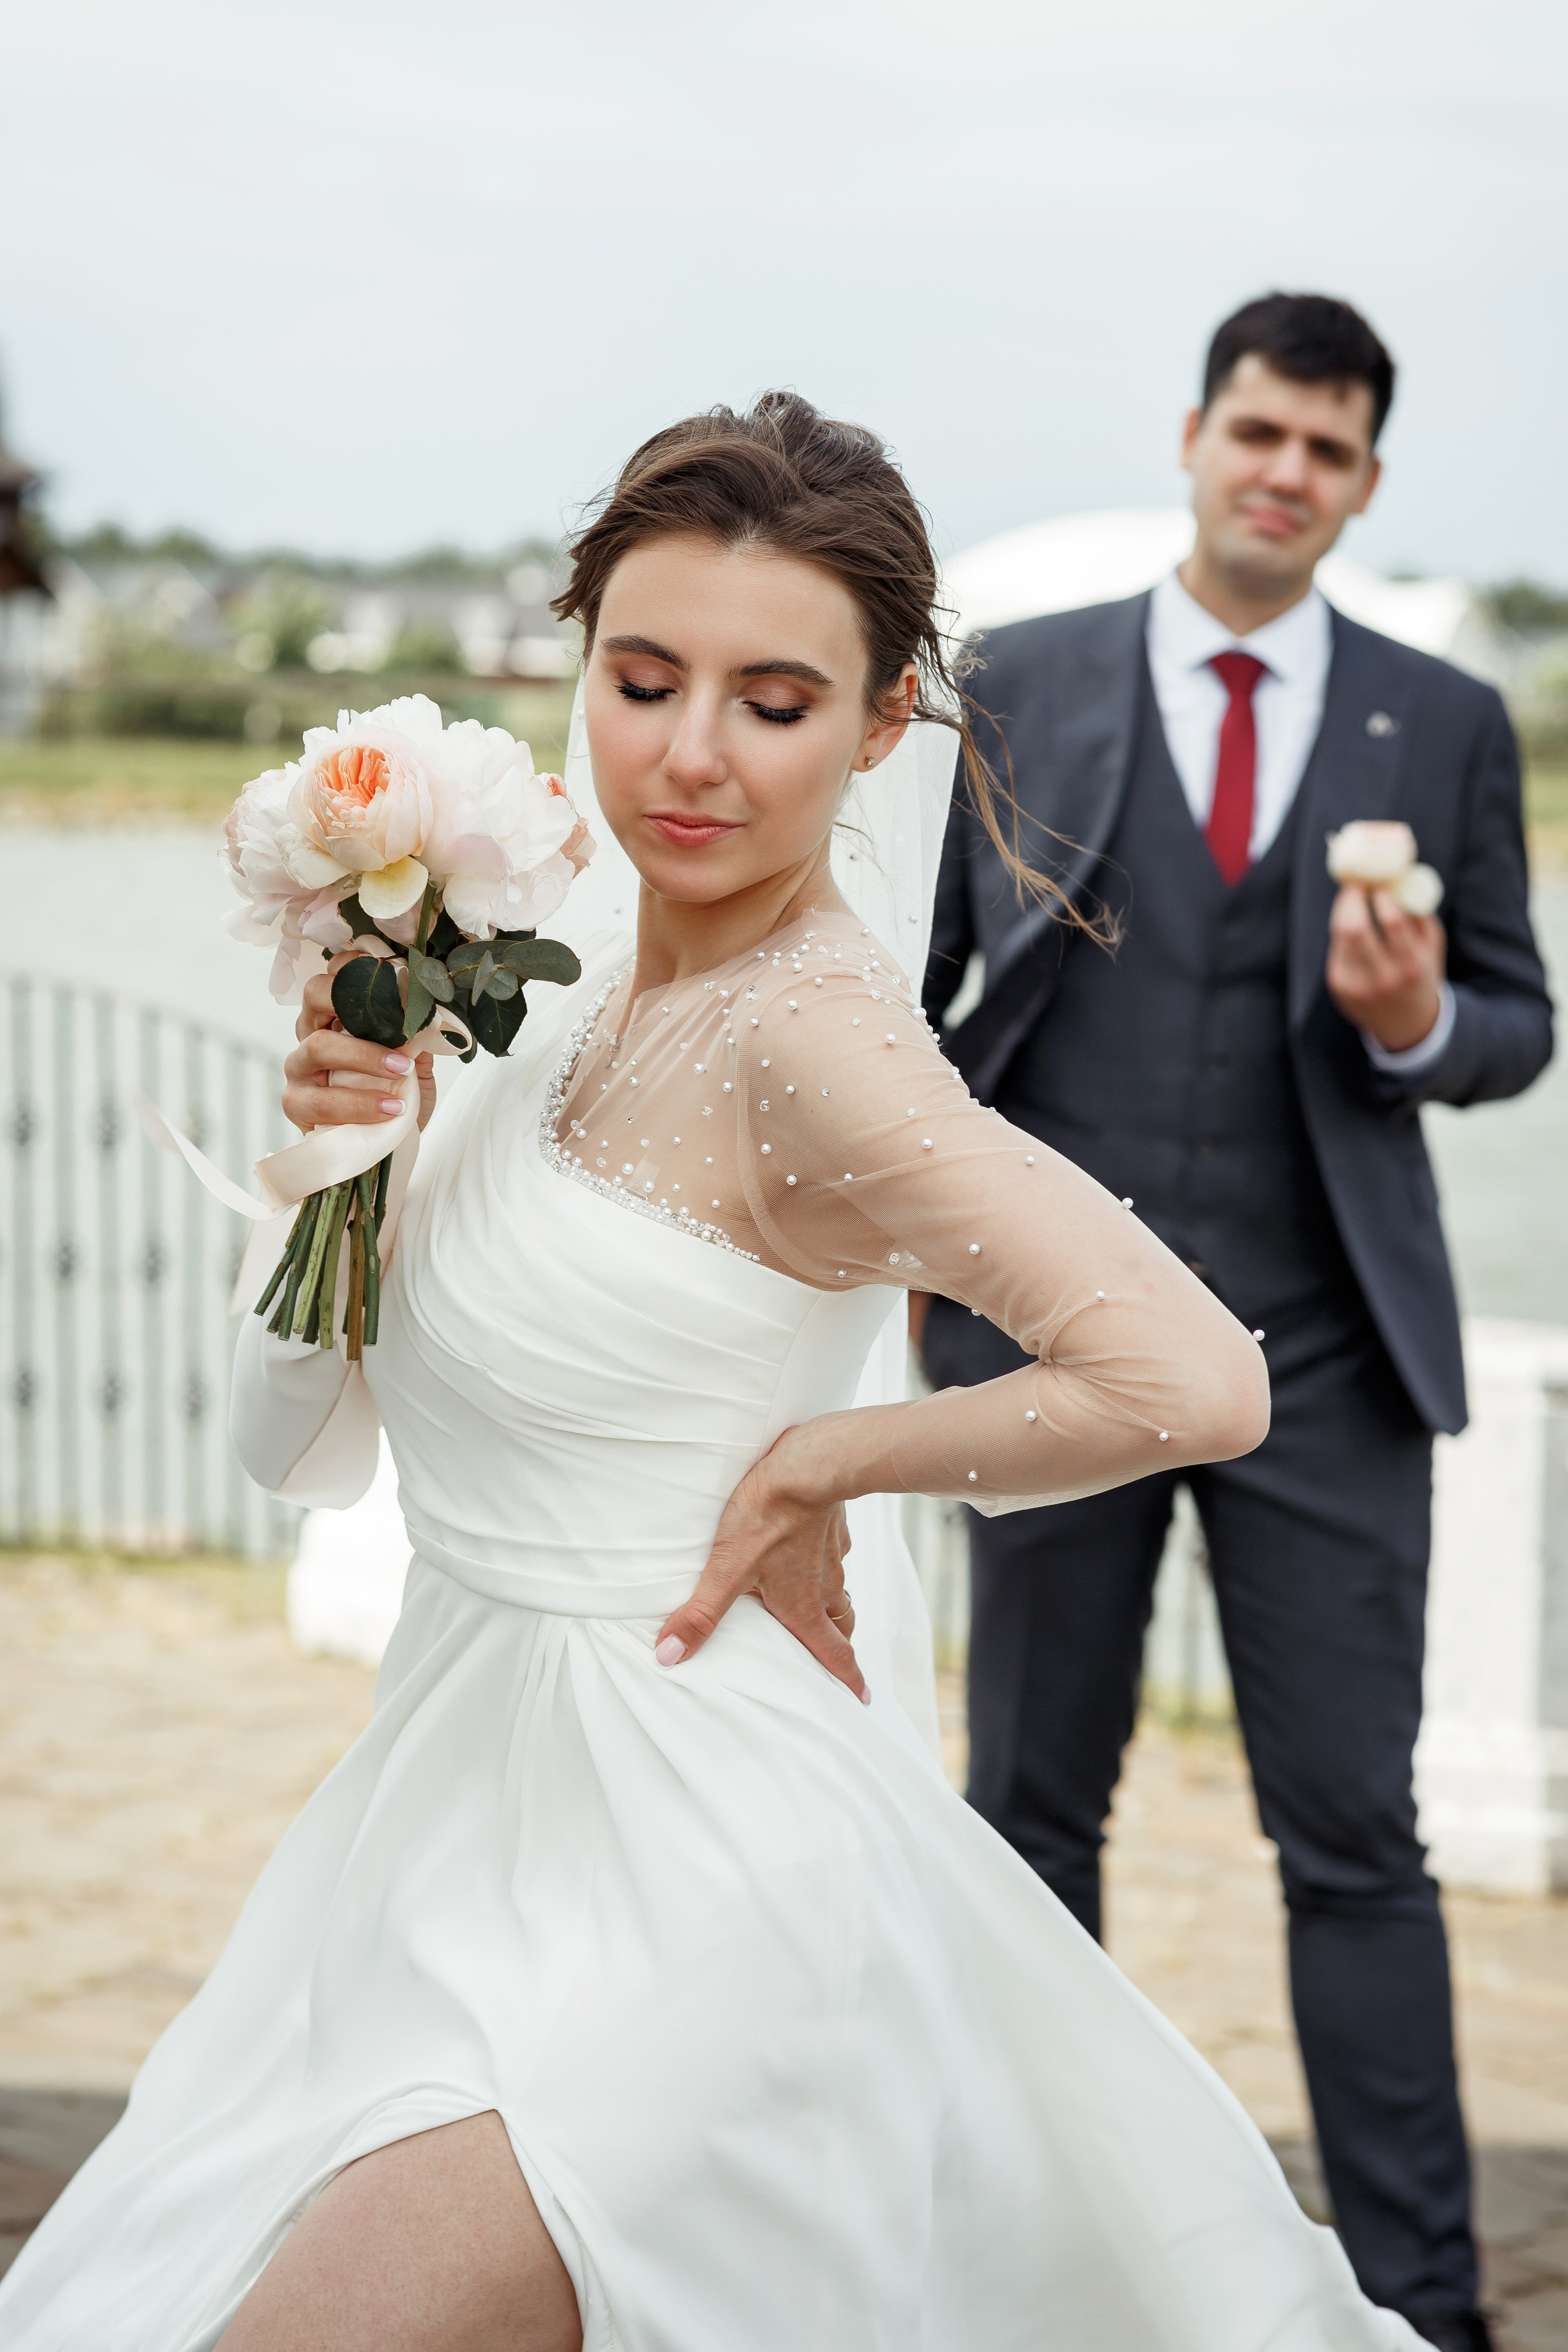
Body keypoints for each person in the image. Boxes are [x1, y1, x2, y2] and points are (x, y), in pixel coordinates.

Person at [2, 392, 1431, 2352]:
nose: (686, 758)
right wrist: (350, 1156)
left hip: (689, 1854)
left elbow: (1195, 1378)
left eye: (773, 702)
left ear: (876, 724)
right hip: (441, 1814)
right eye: (643, 676)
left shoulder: (816, 1042)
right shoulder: (548, 957)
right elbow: (288, 1451)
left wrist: (820, 1464)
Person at [920, 295, 1554, 2352]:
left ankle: (1432, 2311)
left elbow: (1513, 1027)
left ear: (1364, 484)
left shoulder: (1440, 723)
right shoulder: (1024, 687)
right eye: (1260, 433)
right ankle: (1032, 2268)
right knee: (1027, 1816)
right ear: (1196, 434)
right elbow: (916, 998)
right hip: (1047, 1351)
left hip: (1329, 1362)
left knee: (1357, 1835)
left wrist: (1414, 1022)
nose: (1286, 475)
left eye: (1330, 453)